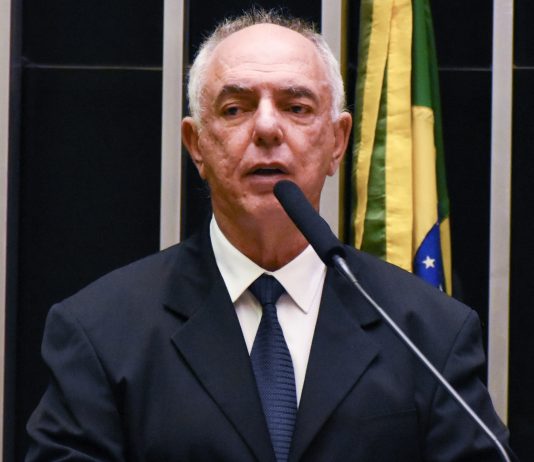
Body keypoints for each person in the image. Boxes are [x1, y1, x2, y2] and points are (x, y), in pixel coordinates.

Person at [26, 9, 516, 462]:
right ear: (197, 145)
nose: (266, 128)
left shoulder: (428, 333)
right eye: (235, 108)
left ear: (337, 142)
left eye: (296, 107)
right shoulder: (101, 332)